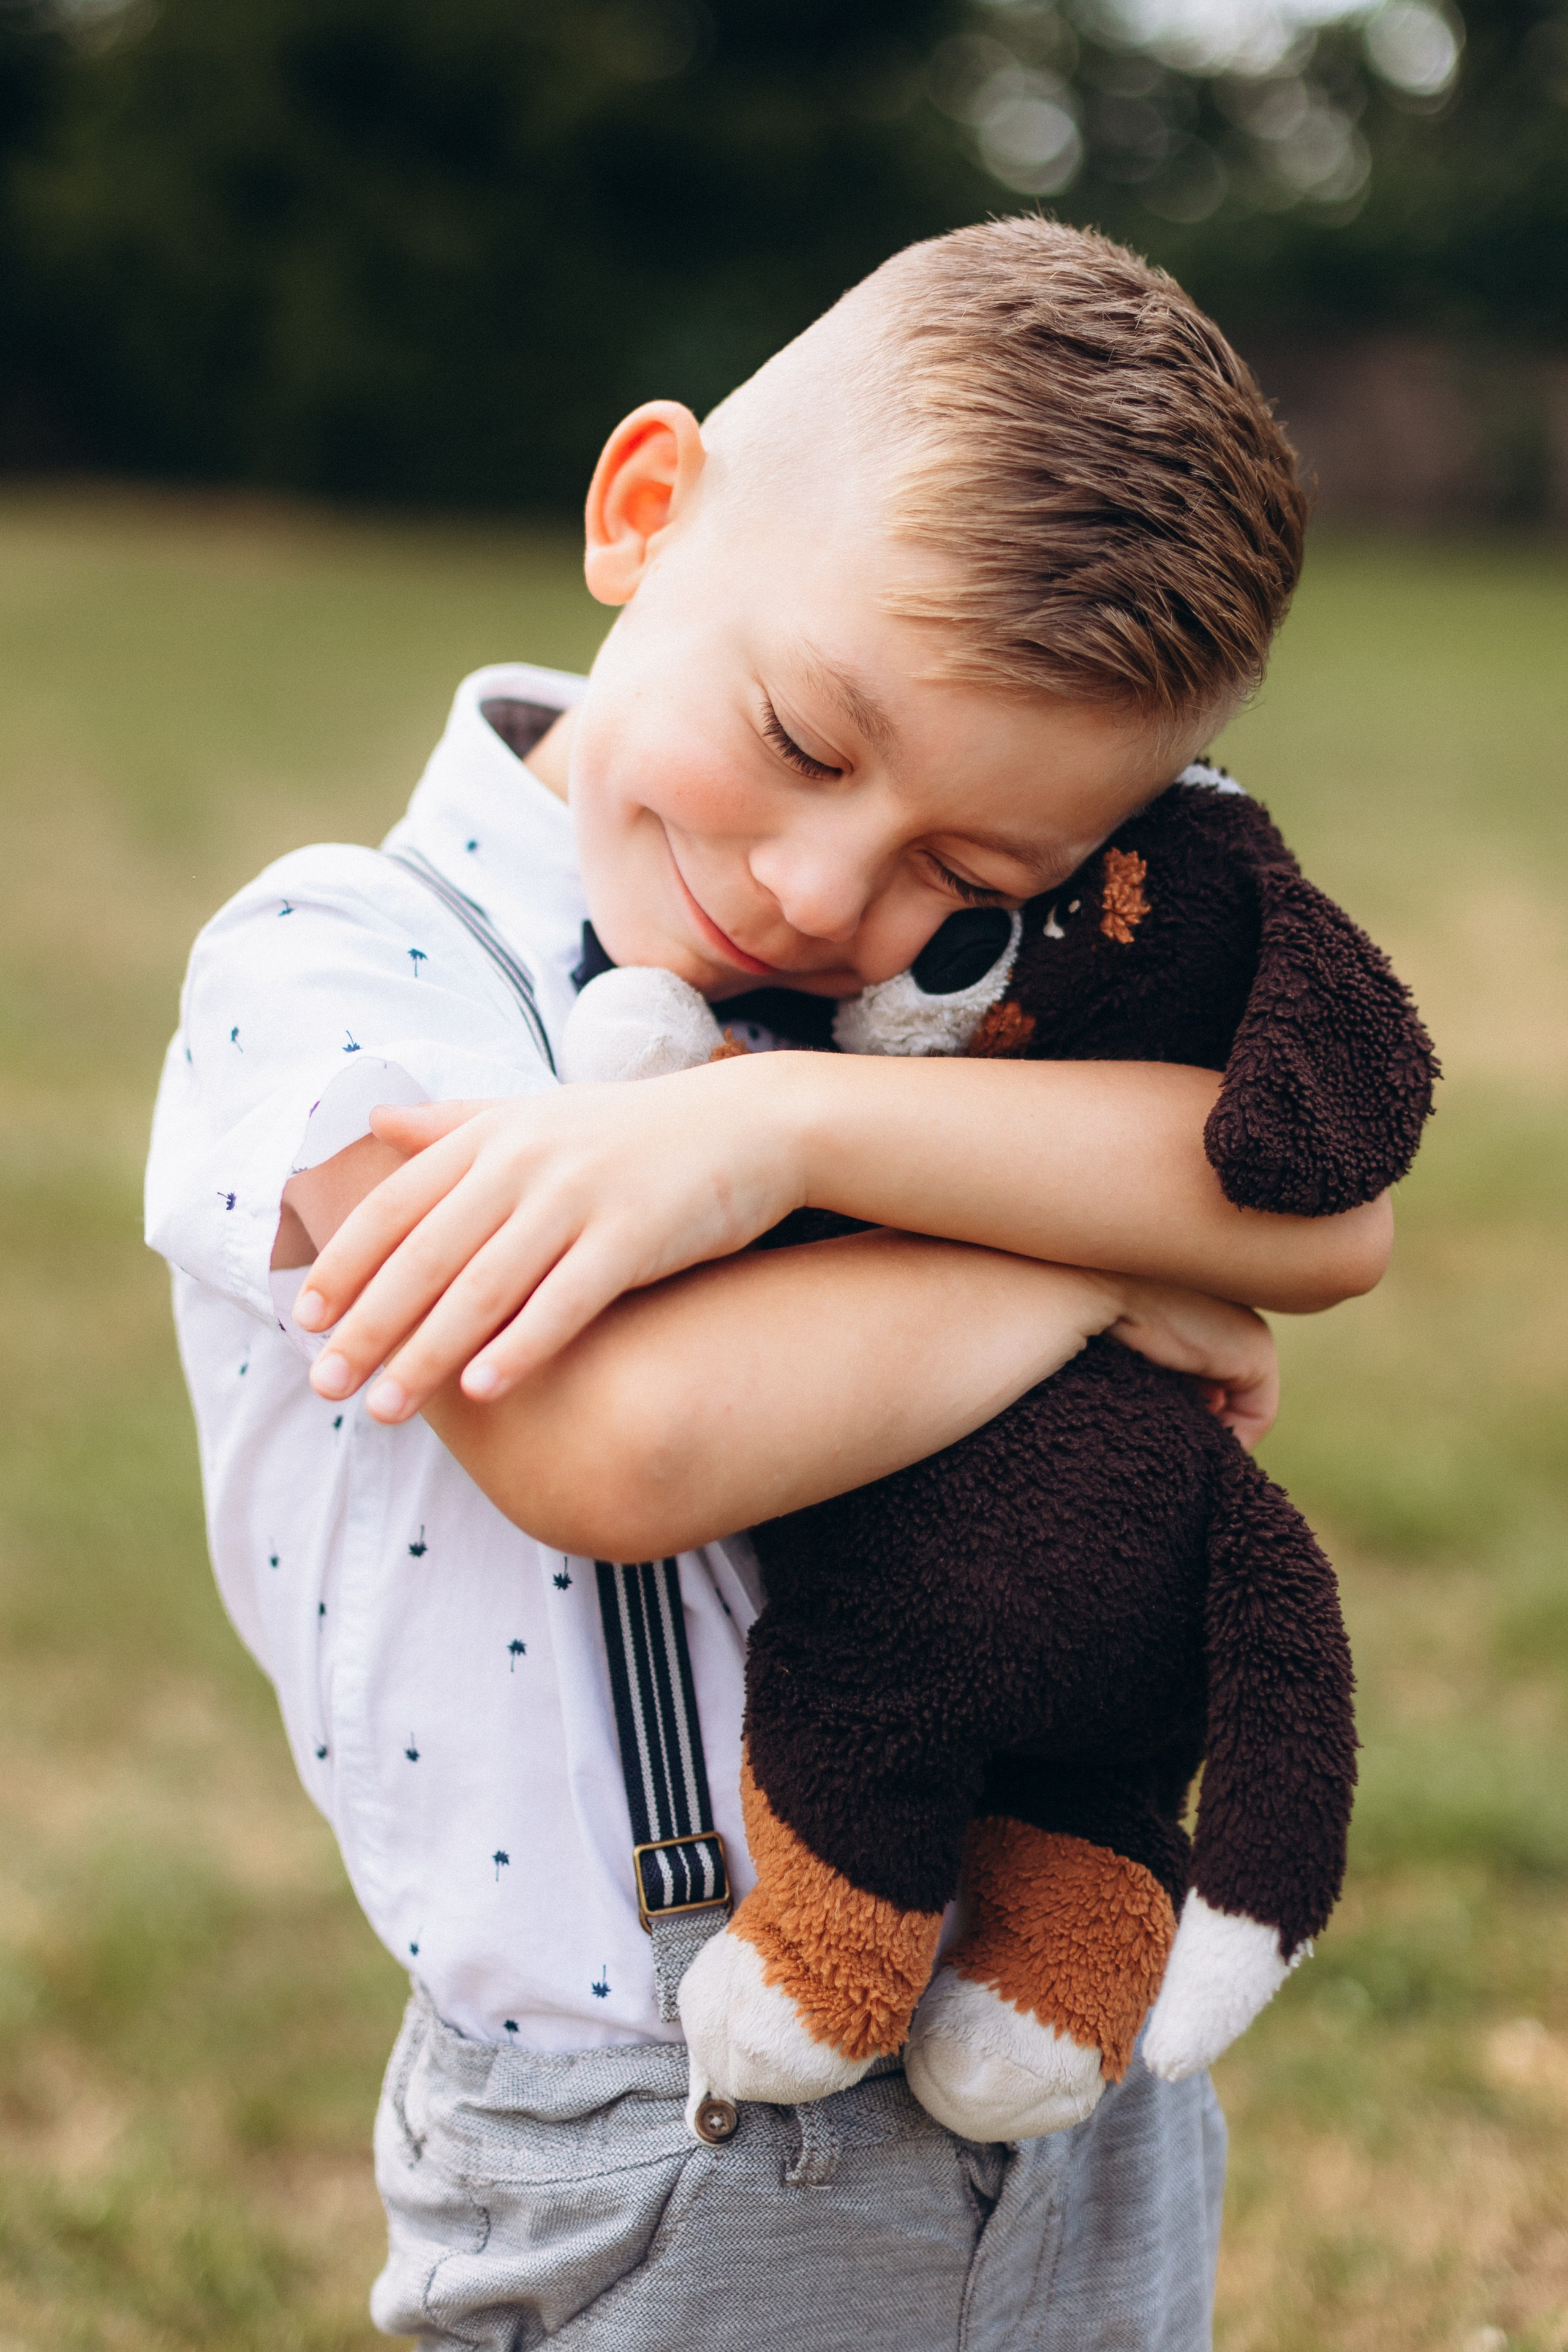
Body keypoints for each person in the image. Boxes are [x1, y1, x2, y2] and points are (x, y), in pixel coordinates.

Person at [145, 219, 1390, 2350]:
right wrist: (1072, 1288)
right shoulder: (344, 966)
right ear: (646, 508)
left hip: (1075, 2088)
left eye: (967, 878)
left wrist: (784, 1132)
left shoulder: (930, 1008)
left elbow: (1321, 1211)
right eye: (808, 741)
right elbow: (611, 1445)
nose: (824, 897)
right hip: (668, 2140)